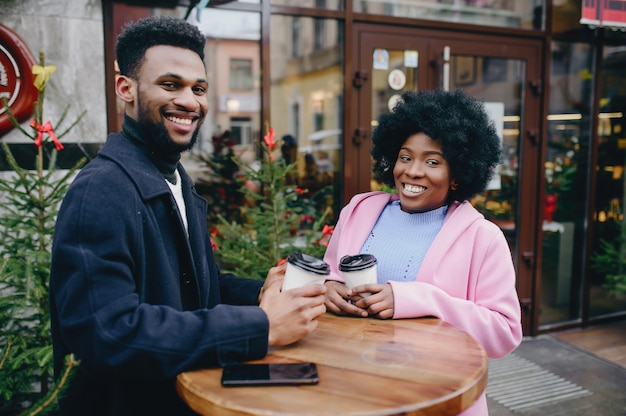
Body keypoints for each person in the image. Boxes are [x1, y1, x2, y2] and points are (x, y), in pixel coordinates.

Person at [49, 16, 326, 416]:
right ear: (124, 89)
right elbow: (108, 334)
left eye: (199, 88)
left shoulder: (176, 179)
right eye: (170, 84)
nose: (190, 101)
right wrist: (260, 327)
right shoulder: (101, 190)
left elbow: (190, 289)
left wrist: (261, 293)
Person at [322, 89, 522, 416]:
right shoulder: (358, 211)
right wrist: (329, 288)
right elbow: (331, 275)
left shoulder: (483, 237)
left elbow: (504, 333)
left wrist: (417, 298)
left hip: (434, 397)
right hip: (355, 388)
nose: (413, 172)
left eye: (432, 161)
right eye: (405, 157)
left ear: (456, 174)